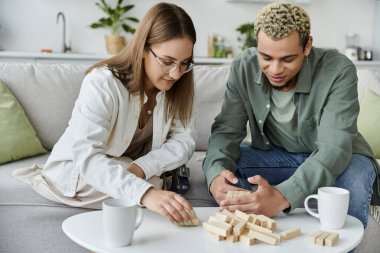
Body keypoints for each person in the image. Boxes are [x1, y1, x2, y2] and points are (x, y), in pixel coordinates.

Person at [13, 2, 197, 224]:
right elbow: (88, 158)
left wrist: (142, 168)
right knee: (156, 186)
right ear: (143, 50)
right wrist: (145, 192)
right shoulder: (103, 83)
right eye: (167, 62)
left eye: (185, 63)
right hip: (81, 170)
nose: (176, 73)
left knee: (156, 184)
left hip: (130, 168)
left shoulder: (180, 85)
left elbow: (184, 141)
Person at [202, 2, 380, 227]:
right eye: (266, 57)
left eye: (287, 59)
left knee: (355, 179)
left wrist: (283, 196)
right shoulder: (243, 66)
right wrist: (216, 175)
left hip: (343, 158)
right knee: (225, 167)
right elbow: (226, 131)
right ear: (257, 45)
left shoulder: (339, 70)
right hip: (280, 156)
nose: (275, 70)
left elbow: (333, 149)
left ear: (307, 46)